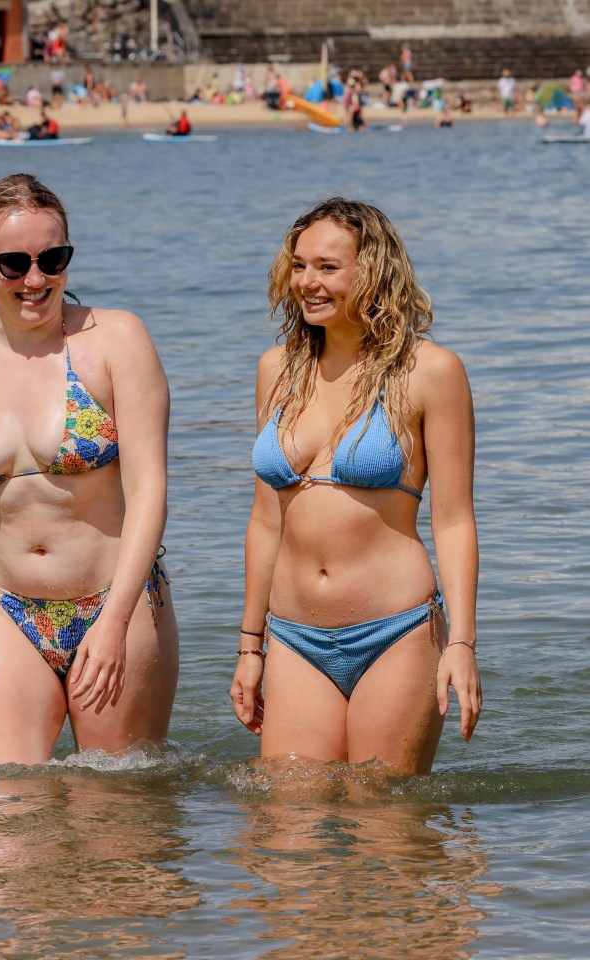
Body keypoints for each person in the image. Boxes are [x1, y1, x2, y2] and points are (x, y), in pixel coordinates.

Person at [0, 174, 179, 765]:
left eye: (52, 258)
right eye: (13, 263)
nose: (36, 280)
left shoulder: (116, 340)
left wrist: (115, 622)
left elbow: (148, 491)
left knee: (113, 827)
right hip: (0, 604)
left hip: (112, 601)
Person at [230, 198, 481, 775]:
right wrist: (250, 647)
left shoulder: (429, 372)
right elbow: (266, 520)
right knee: (287, 834)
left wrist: (462, 645)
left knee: (386, 831)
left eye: (327, 267)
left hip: (395, 632)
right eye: (299, 266)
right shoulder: (278, 370)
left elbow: (454, 519)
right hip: (293, 638)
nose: (307, 282)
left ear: (372, 272)